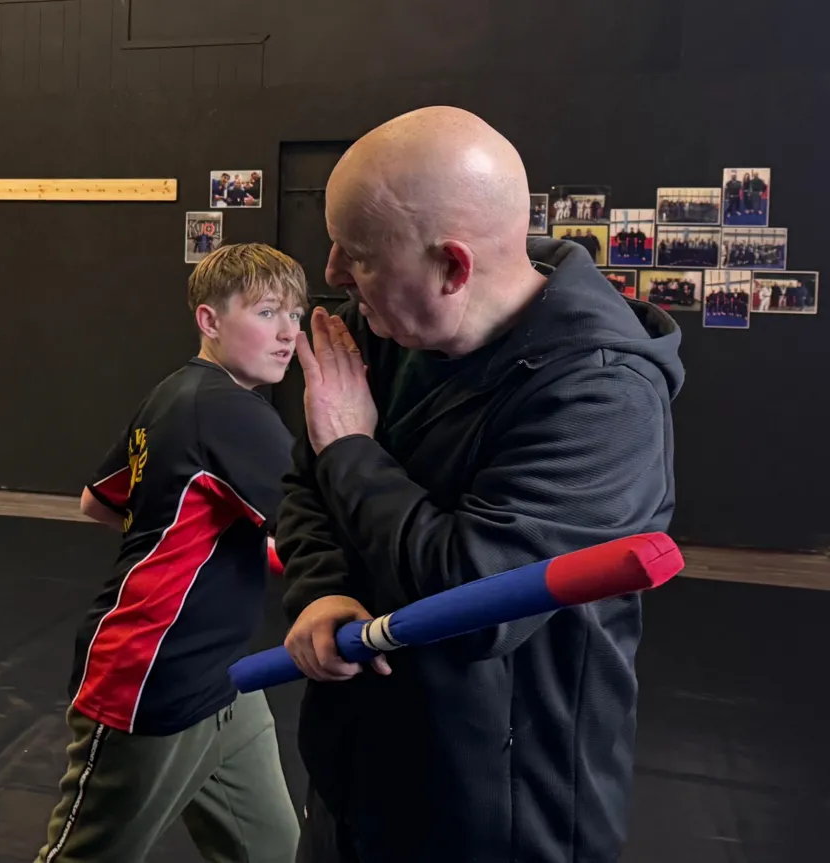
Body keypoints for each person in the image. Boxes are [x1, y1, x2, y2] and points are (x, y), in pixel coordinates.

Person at [274, 106, 684, 862]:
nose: (331, 272)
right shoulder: (380, 325)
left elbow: (473, 601)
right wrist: (321, 588)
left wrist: (353, 449)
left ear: (452, 267)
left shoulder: (603, 397)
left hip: (498, 809)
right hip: (355, 776)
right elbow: (306, 478)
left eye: (356, 252)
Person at [33, 243, 305, 863]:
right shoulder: (227, 409)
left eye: (294, 314)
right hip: (152, 676)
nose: (288, 332)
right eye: (267, 313)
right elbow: (320, 528)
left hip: (227, 679)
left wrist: (198, 534)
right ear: (210, 320)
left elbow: (97, 502)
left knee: (275, 853)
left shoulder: (177, 392)